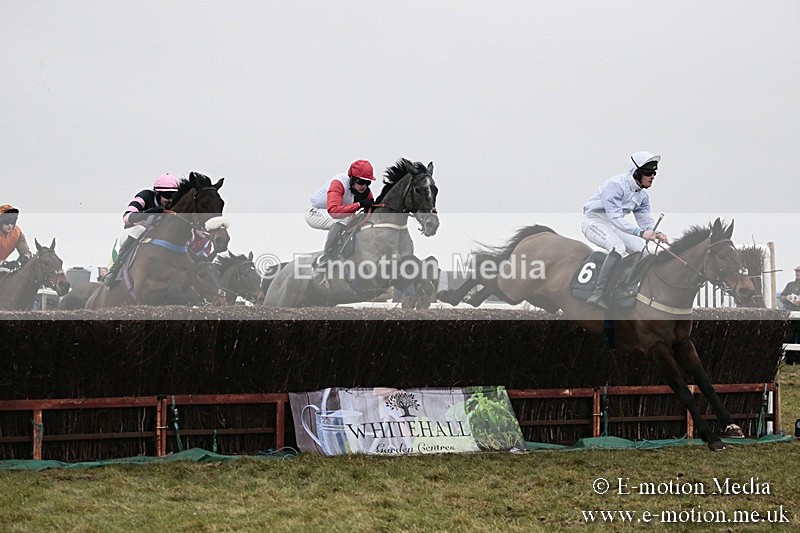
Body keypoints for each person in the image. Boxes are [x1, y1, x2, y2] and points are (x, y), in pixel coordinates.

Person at [580, 151, 669, 310]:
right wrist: (641, 233)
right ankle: (597, 293)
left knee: (644, 253)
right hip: (594, 222)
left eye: (654, 172)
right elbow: (616, 218)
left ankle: (628, 289)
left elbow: (644, 220)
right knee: (618, 248)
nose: (653, 176)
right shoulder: (615, 185)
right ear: (637, 173)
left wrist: (657, 233)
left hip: (614, 225)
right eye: (649, 173)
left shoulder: (642, 196)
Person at [104, 173, 180, 286]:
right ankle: (114, 270)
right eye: (167, 195)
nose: (169, 200)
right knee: (139, 229)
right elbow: (127, 217)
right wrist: (154, 211)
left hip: (152, 237)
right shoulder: (145, 196)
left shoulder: (172, 205)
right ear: (157, 193)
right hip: (132, 233)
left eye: (173, 196)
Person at [305, 159, 376, 270]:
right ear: (352, 178)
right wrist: (359, 204)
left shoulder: (365, 191)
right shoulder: (338, 183)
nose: (364, 186)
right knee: (345, 218)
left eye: (368, 182)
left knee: (354, 218)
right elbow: (334, 211)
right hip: (316, 212)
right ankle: (326, 258)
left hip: (337, 213)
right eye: (361, 182)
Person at [0, 204, 32, 270]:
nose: (10, 225)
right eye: (7, 222)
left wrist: (25, 257)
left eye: (12, 222)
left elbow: (26, 251)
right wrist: (4, 263)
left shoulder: (17, 233)